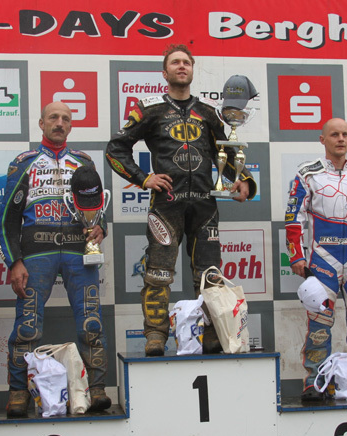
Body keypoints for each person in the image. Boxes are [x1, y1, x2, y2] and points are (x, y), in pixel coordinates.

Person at [105, 44, 256, 356]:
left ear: (192, 69)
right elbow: (115, 149)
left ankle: (215, 333)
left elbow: (225, 154)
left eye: (186, 62)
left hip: (204, 205)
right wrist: (144, 178)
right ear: (165, 72)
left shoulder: (210, 113)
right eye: (175, 62)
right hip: (167, 206)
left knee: (210, 274)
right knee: (158, 272)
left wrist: (243, 181)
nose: (181, 66)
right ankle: (156, 335)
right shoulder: (149, 109)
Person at [0, 101, 111, 417]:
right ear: (41, 123)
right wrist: (14, 261)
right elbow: (8, 219)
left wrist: (100, 226)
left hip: (79, 251)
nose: (59, 123)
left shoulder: (83, 161)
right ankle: (18, 392)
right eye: (53, 118)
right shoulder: (24, 163)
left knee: (91, 323)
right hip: (37, 253)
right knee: (27, 327)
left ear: (71, 126)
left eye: (65, 118)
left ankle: (97, 388)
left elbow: (99, 207)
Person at [284, 118, 347, 401]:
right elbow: (294, 217)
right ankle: (315, 381)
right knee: (319, 324)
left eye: (345, 134)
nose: (340, 139)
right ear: (322, 140)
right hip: (323, 259)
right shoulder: (307, 174)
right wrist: (296, 255)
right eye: (334, 134)